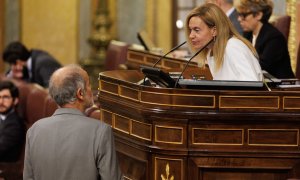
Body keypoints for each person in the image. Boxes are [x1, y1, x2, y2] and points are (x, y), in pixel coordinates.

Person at [23, 65, 122, 180]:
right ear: (80, 93)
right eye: (89, 84)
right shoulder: (101, 131)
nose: (92, 89)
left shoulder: (34, 130)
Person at [185, 3, 262, 81]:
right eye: (190, 30)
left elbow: (252, 83)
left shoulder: (233, 46)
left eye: (196, 30)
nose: (191, 36)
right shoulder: (210, 51)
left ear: (214, 31)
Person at [236, 0, 295, 79]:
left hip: (280, 88)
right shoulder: (248, 34)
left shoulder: (274, 37)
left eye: (243, 15)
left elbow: (262, 66)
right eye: (239, 15)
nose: (239, 19)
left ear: (258, 15)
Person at [0, 80, 25, 162]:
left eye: (5, 97)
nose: (1, 102)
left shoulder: (14, 125)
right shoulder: (2, 115)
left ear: (15, 101)